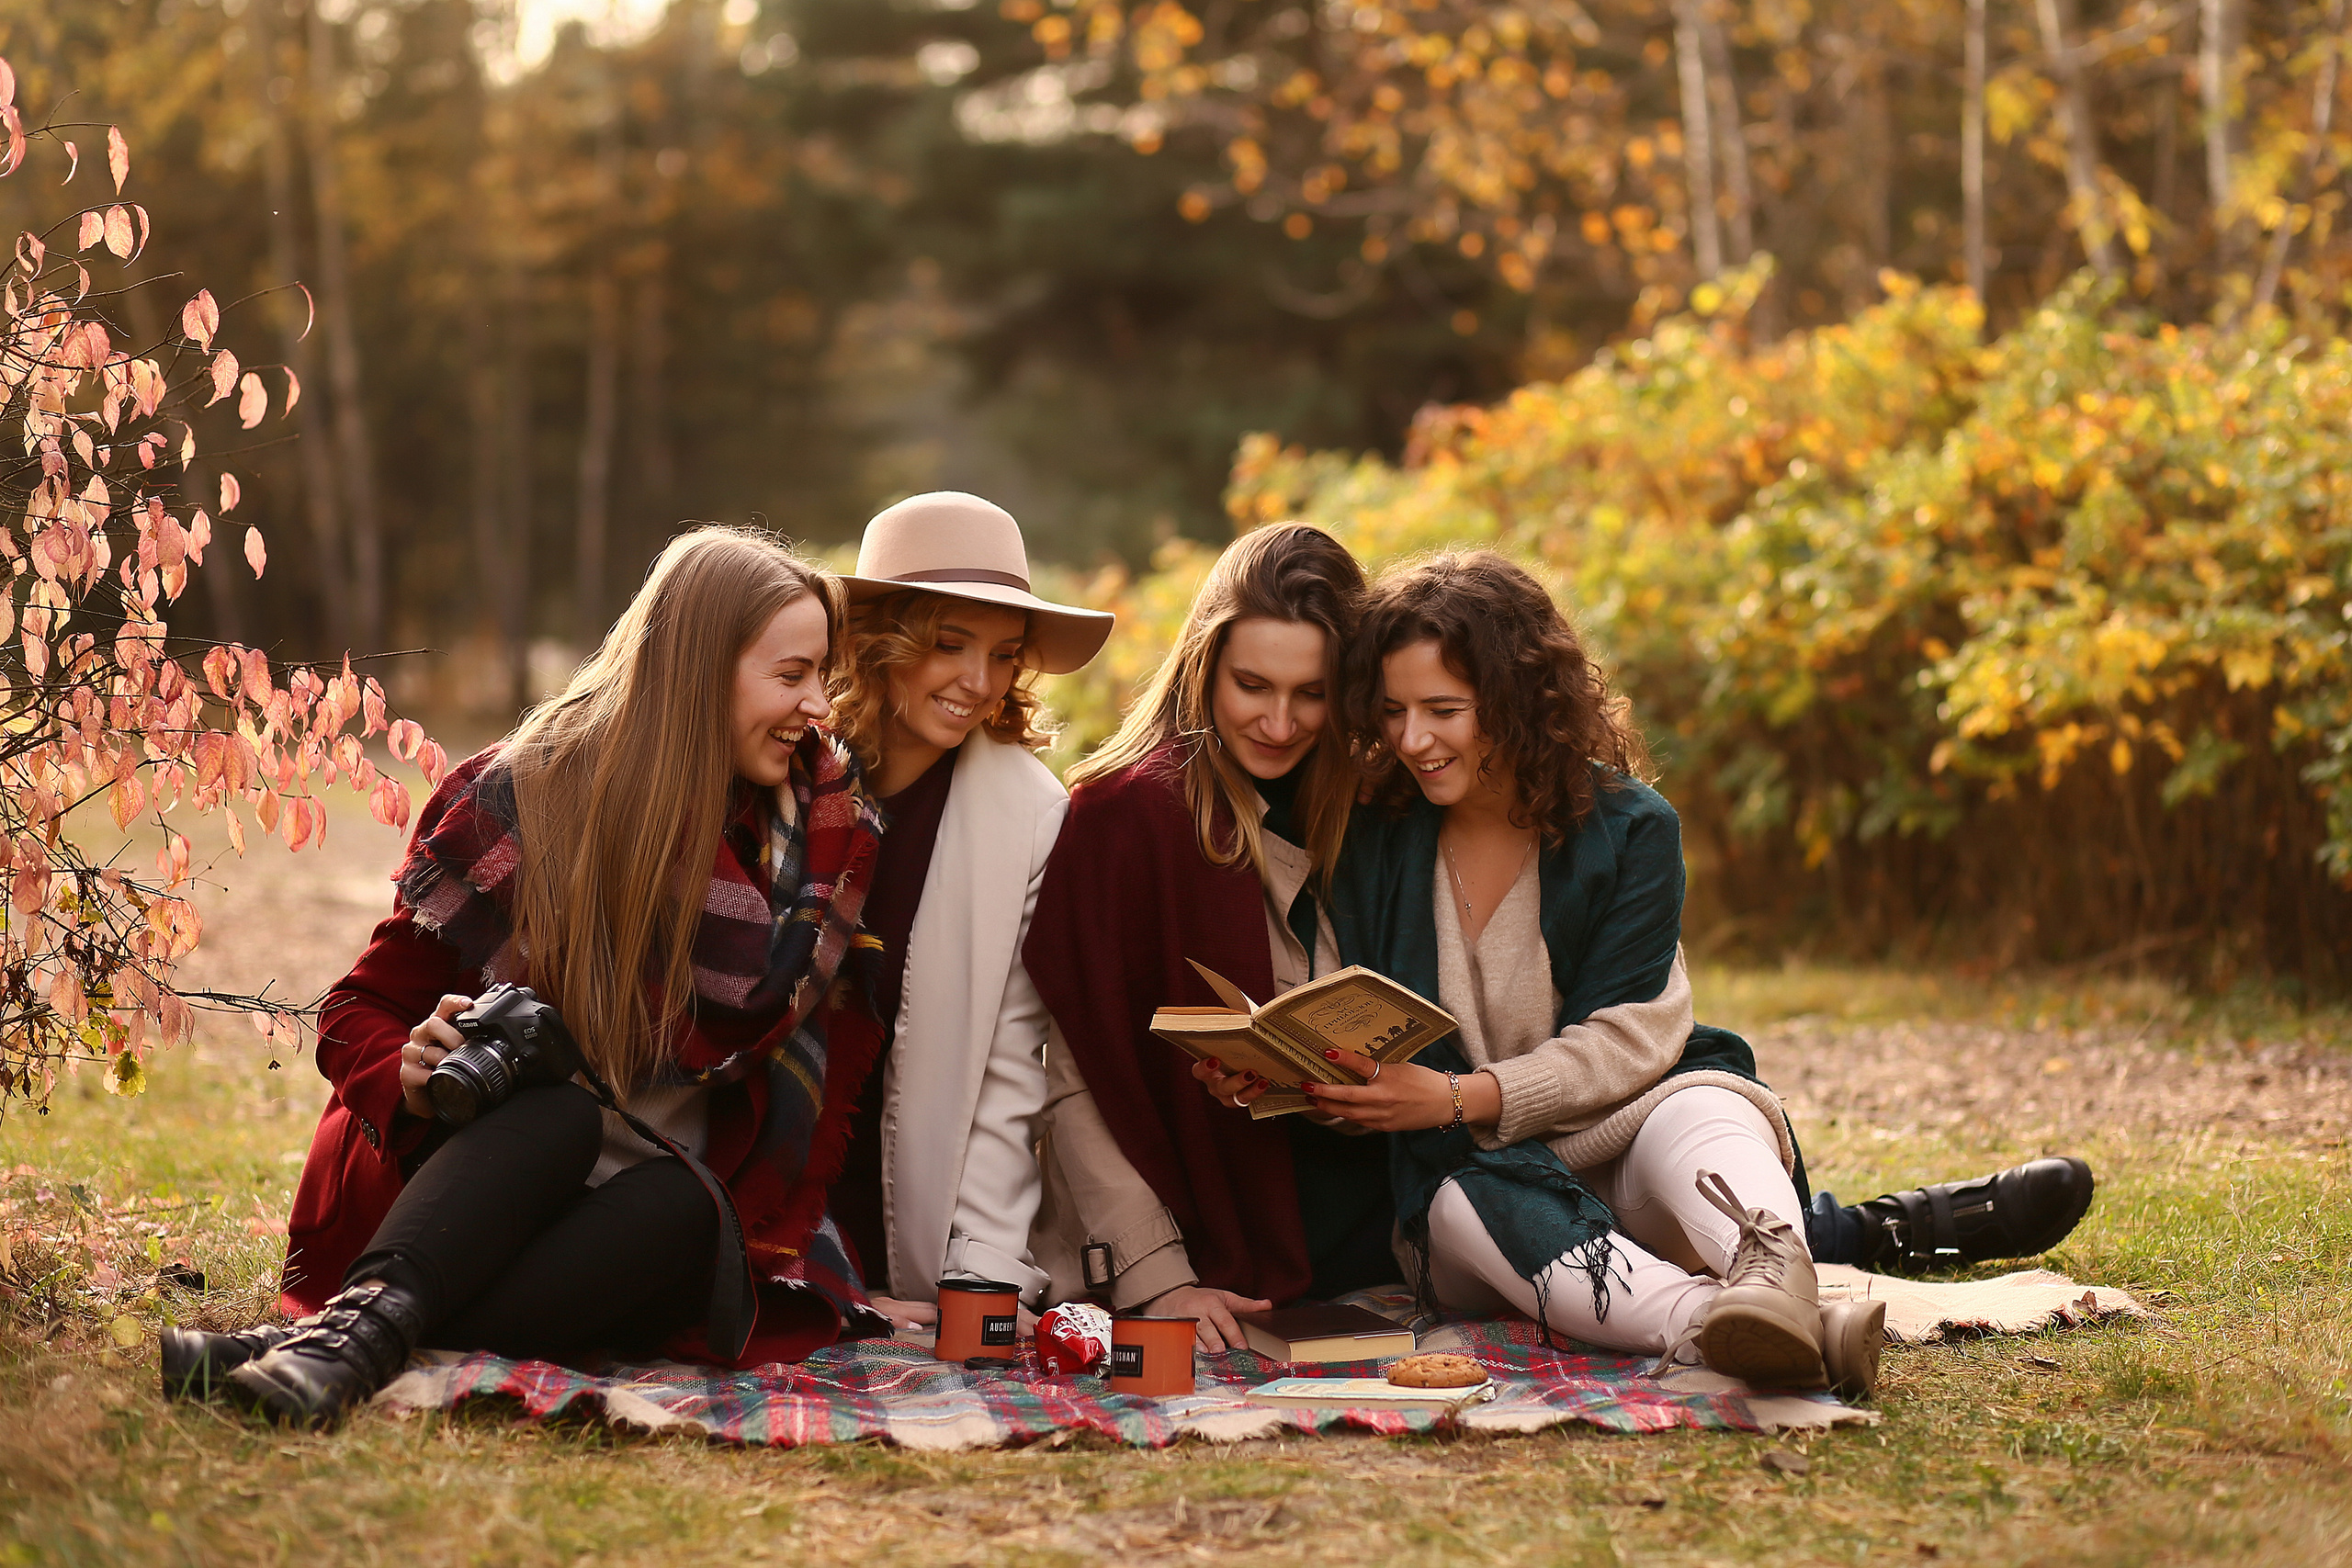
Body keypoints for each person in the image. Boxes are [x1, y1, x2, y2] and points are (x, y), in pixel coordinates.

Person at [1297, 551, 2092, 1395]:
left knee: (1707, 1103)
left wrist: (1462, 1095)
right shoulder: (1370, 839)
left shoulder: (1630, 828)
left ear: (1517, 698)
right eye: (1393, 712)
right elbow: (1336, 1004)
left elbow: (1631, 1038)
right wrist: (1316, 1077)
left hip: (1629, 1150)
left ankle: (1774, 1275)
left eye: (1443, 710)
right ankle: (1728, 1323)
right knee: (1462, 1199)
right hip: (1487, 1194)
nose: (1411, 740)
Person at [160, 527, 887, 1426]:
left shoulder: (822, 836)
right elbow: (358, 1006)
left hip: (617, 1224)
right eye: (792, 675)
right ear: (698, 671)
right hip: (467, 1187)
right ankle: (362, 1326)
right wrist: (408, 1070)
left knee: (696, 1209)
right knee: (557, 1114)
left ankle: (336, 1342)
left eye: (822, 674)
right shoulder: (528, 795)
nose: (818, 704)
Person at [1023, 523, 1392, 1349]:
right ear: (1203, 665)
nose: (1280, 722)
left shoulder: (1373, 806)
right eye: (1252, 685)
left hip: (1364, 1223)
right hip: (1199, 1234)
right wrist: (1157, 1277)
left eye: (1311, 693)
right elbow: (1077, 1076)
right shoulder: (1123, 817)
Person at [825, 492, 1113, 1328]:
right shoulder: (789, 774)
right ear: (878, 640)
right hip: (762, 1184)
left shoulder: (1027, 812)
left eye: (1004, 654)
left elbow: (1009, 1064)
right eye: (949, 644)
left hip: (910, 1214)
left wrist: (983, 1274)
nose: (980, 683)